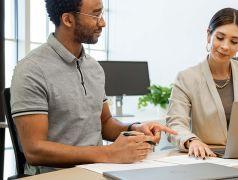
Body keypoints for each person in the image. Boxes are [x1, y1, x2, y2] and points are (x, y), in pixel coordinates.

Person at [10, 0, 176, 175]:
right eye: (95, 15)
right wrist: (108, 153)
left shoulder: (93, 67)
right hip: (54, 174)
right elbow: (35, 150)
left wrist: (134, 128)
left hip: (97, 169)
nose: (102, 22)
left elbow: (105, 123)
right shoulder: (31, 69)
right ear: (68, 20)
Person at [166, 8, 238, 159]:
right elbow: (175, 124)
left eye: (234, 41)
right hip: (207, 155)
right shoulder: (186, 78)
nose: (225, 46)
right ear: (208, 35)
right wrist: (192, 141)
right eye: (220, 37)